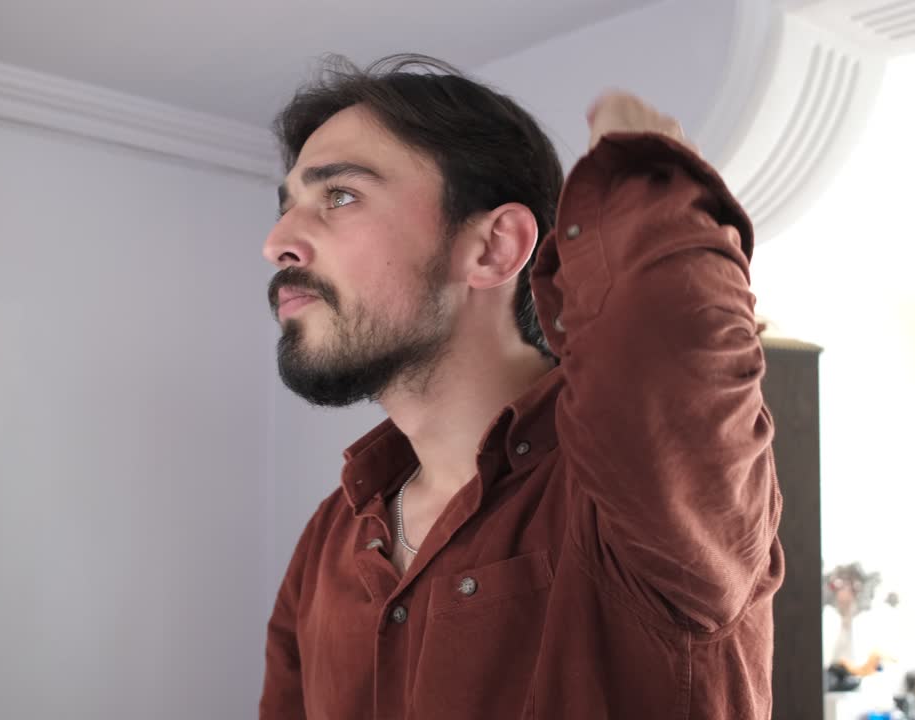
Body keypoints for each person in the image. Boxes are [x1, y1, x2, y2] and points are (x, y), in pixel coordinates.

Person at [259, 54, 783, 719]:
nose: (277, 242)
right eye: (287, 208)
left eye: (339, 195)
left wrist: (647, 173)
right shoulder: (330, 538)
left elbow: (675, 357)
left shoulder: (639, 501)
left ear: (495, 248)